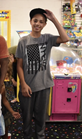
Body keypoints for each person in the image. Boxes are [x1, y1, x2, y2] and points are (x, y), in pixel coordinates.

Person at [16, 8, 69, 139]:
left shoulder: (48, 39)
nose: (37, 24)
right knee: (26, 118)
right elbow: (19, 65)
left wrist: (53, 19)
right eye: (35, 21)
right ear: (30, 22)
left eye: (41, 22)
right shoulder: (23, 41)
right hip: (27, 87)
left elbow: (65, 38)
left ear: (45, 24)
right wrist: (22, 84)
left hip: (44, 86)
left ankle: (40, 137)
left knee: (41, 118)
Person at [1, 55, 17, 139]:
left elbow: (14, 84)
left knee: (7, 119)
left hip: (10, 99)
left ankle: (6, 134)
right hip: (1, 100)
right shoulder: (0, 79)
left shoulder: (10, 77)